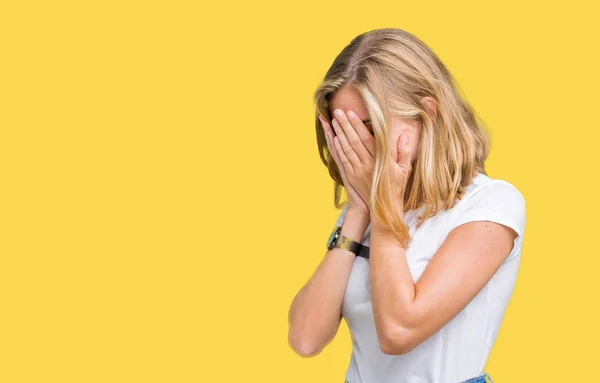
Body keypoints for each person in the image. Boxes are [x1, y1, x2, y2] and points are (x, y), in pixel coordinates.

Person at [287, 28, 526, 383]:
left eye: (368, 126)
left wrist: (383, 207)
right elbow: (305, 339)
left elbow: (399, 330)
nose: (357, 145)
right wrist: (356, 213)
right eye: (344, 131)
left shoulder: (490, 206)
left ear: (426, 113)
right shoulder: (365, 210)